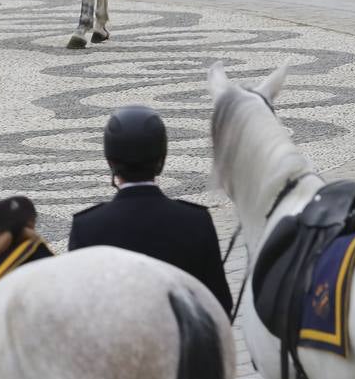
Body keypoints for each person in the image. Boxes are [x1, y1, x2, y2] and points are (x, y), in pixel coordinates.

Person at [68, 106, 233, 316]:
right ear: (161, 160)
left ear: (110, 161)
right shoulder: (195, 220)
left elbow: (78, 309)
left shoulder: (87, 227)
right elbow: (220, 306)